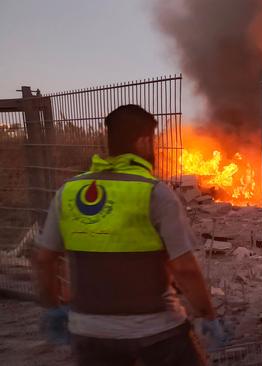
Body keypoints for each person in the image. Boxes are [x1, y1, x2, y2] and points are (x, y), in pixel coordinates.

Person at [33, 104, 226, 366]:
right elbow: (185, 268)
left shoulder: (69, 191)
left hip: (89, 331)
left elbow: (45, 259)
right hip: (156, 331)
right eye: (153, 141)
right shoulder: (154, 192)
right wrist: (208, 316)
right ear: (145, 142)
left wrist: (53, 308)